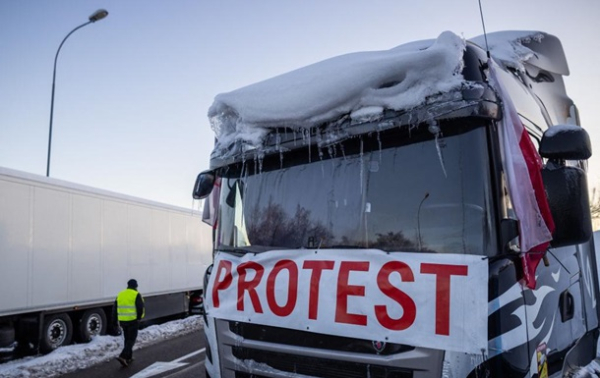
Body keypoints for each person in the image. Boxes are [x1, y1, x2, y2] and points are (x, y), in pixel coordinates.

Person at [113, 279, 145, 367]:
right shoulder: (136, 294)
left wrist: (115, 322)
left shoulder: (120, 294)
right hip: (133, 320)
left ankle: (129, 357)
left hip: (123, 321)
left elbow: (115, 309)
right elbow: (140, 308)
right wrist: (139, 318)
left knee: (127, 339)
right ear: (135, 286)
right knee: (131, 340)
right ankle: (123, 356)